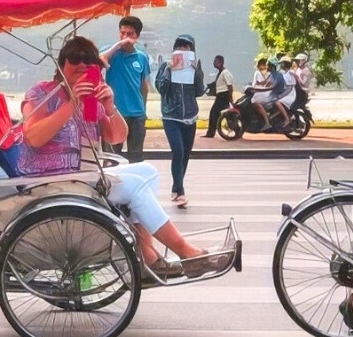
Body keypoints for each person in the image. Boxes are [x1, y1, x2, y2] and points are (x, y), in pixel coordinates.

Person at [21, 35, 228, 278]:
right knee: (134, 185)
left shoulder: (93, 98)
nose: (81, 66)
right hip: (54, 179)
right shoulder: (42, 92)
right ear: (61, 64)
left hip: (85, 174)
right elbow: (33, 136)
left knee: (147, 172)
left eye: (89, 63)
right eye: (74, 59)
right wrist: (71, 103)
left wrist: (109, 106)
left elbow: (117, 136)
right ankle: (185, 252)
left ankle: (147, 256)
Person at [156, 35, 202, 208]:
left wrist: (197, 72)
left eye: (187, 47)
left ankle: (176, 188)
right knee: (178, 151)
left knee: (186, 154)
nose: (184, 50)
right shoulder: (166, 66)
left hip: (190, 115)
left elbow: (199, 91)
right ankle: (180, 191)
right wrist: (171, 70)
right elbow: (161, 89)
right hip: (171, 115)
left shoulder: (194, 67)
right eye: (180, 47)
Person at [100, 16, 150, 161]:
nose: (125, 37)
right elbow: (99, 61)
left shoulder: (141, 57)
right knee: (113, 157)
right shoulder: (112, 54)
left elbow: (143, 85)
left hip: (137, 115)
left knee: (136, 156)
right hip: (115, 113)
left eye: (130, 34)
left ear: (137, 36)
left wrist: (143, 110)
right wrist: (118, 45)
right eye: (122, 33)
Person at [204, 55, 234, 138]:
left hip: (223, 95)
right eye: (214, 61)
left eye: (217, 61)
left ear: (221, 62)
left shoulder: (225, 72)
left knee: (214, 113)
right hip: (220, 95)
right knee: (223, 114)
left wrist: (230, 97)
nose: (215, 63)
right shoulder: (220, 72)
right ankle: (234, 128)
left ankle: (211, 132)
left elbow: (230, 86)